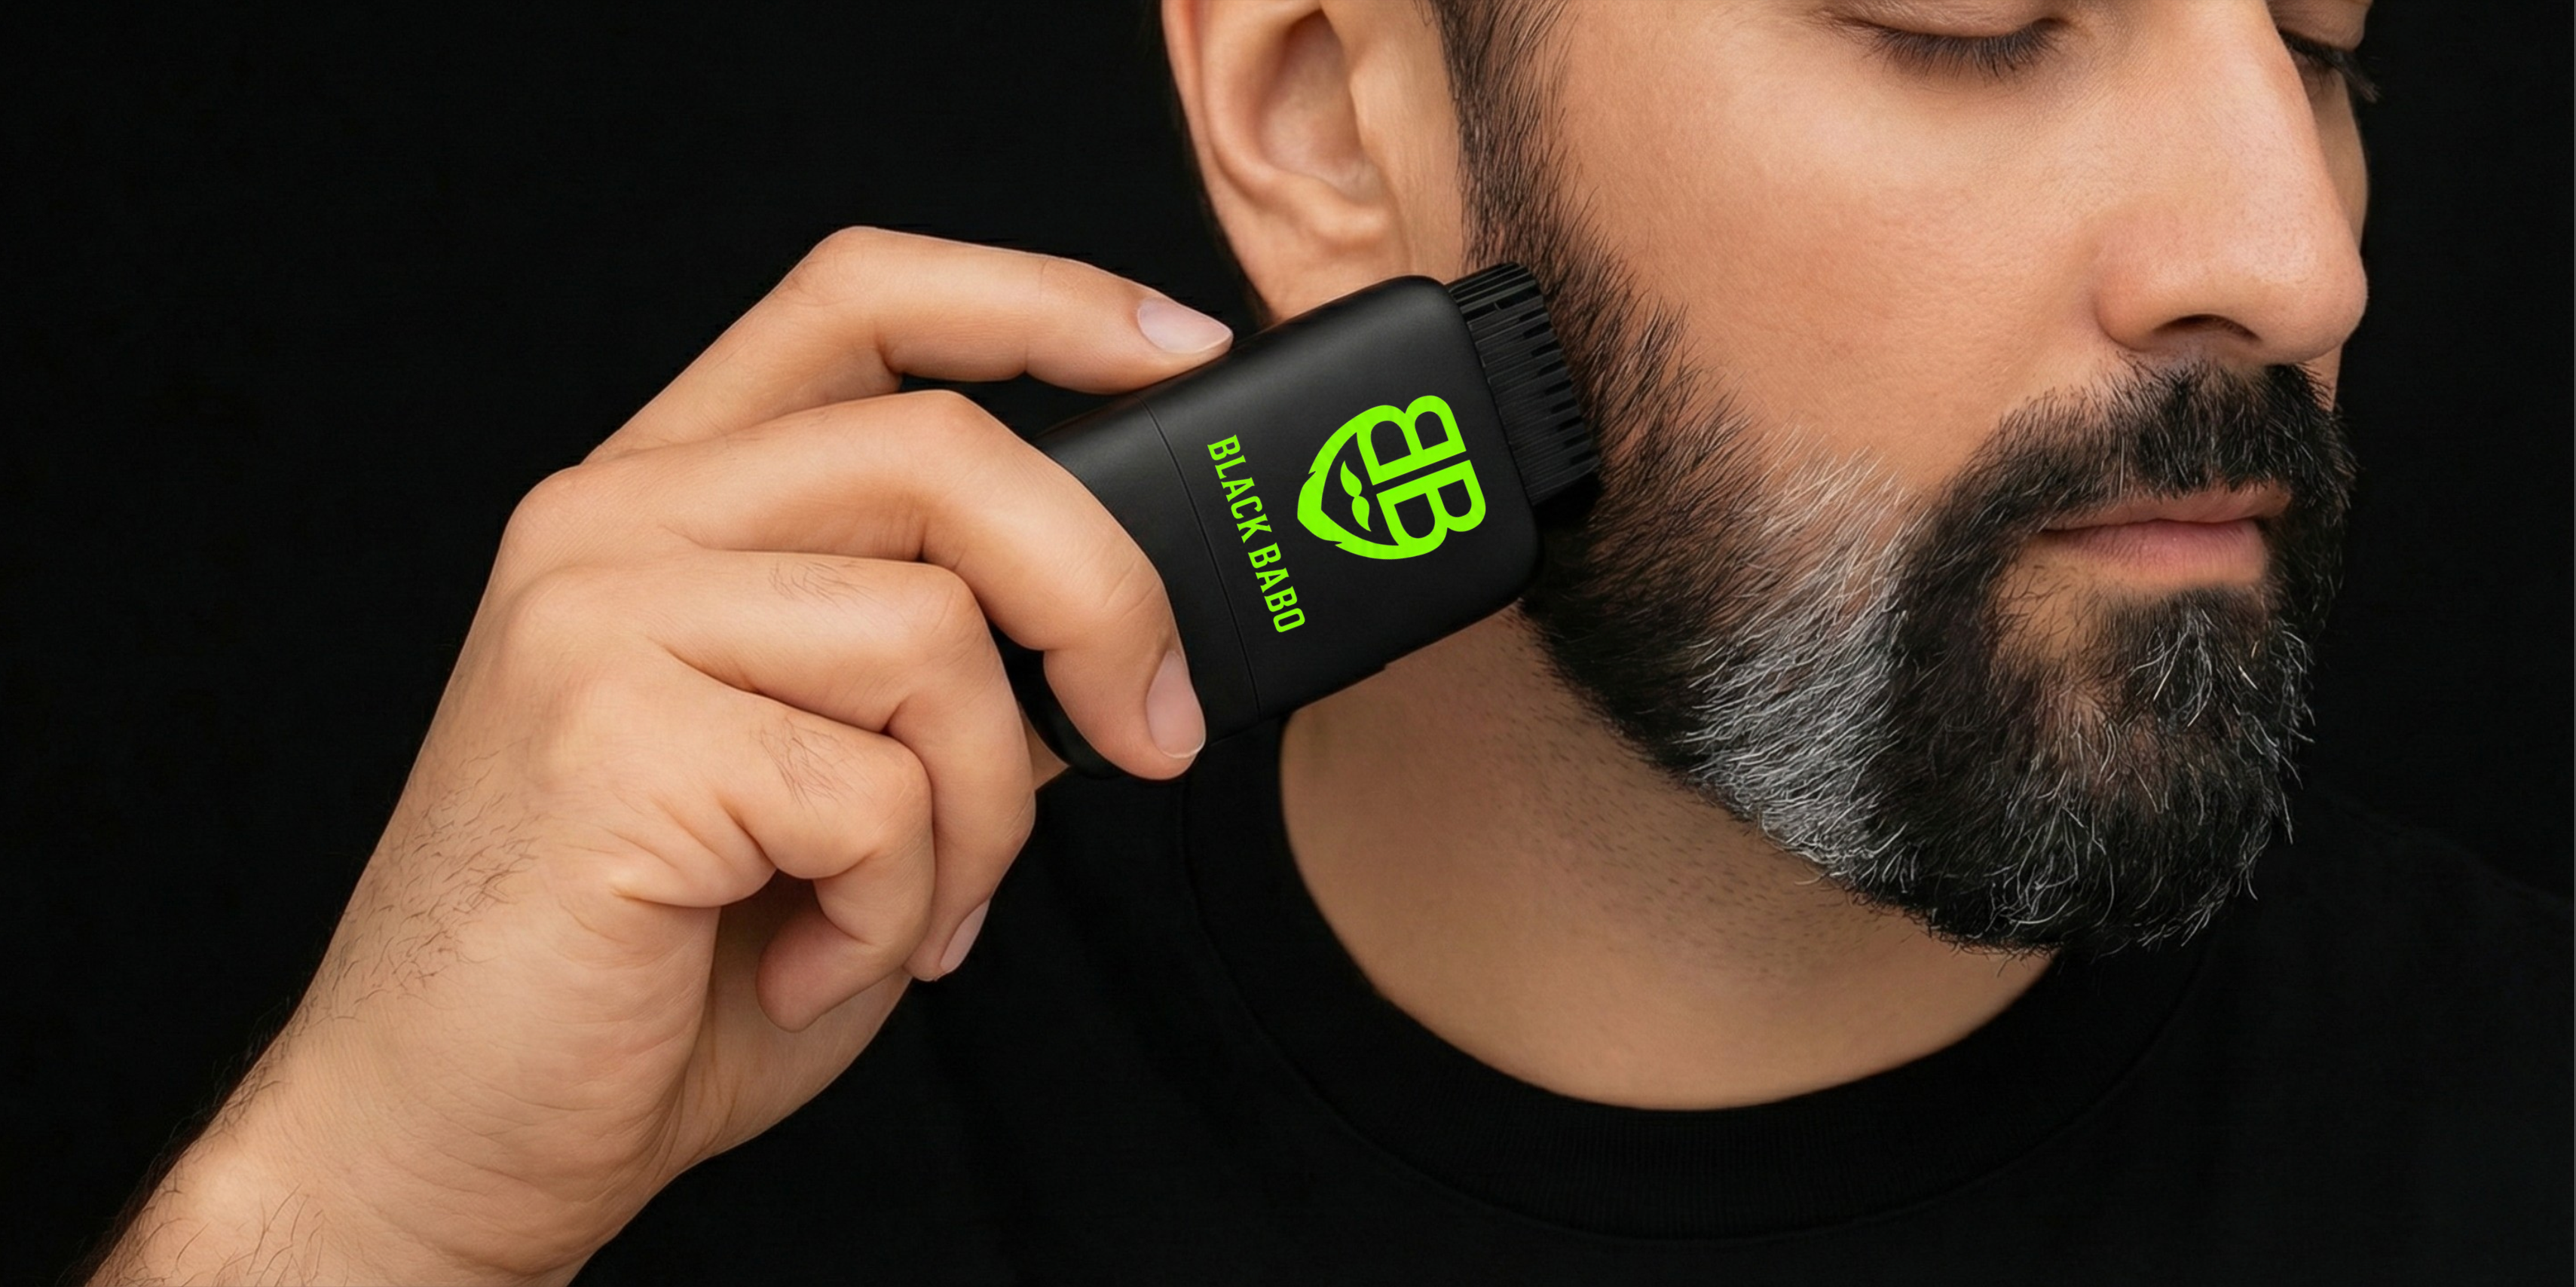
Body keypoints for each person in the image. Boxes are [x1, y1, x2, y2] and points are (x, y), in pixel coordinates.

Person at [85, 2, 2568, 1282]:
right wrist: (351, 1219)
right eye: (1970, 14)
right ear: (1319, 119)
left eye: (2321, 44)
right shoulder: (723, 1104)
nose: (2300, 253)